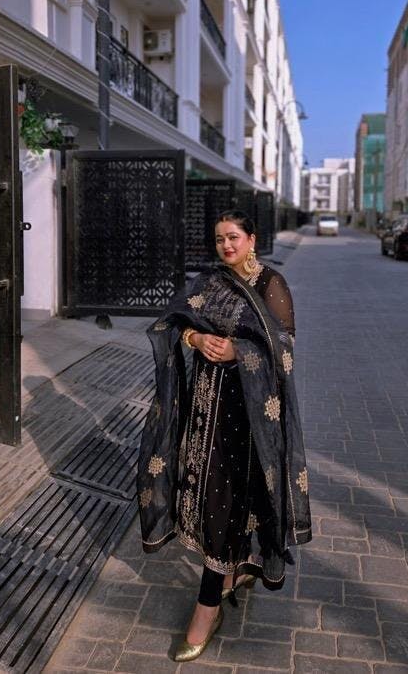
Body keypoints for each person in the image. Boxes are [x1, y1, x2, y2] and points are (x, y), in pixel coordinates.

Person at [137, 209, 311, 662]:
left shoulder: (271, 284)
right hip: (205, 410)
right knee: (209, 497)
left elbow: (286, 347)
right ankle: (234, 571)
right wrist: (195, 340)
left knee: (231, 500)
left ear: (251, 239)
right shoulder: (209, 282)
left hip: (251, 419)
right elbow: (171, 323)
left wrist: (239, 349)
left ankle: (207, 606)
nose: (226, 246)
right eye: (219, 239)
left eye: (233, 237)